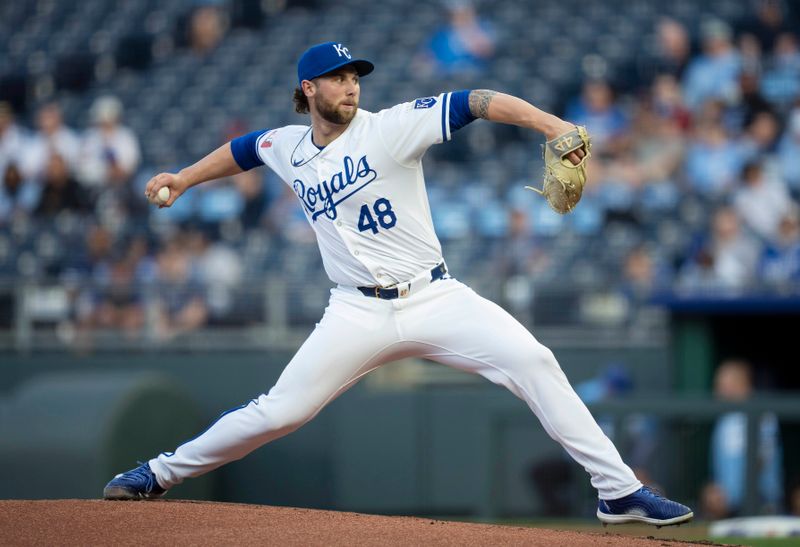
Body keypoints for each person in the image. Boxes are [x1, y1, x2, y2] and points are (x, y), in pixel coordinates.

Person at [103, 41, 693, 527]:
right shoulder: (287, 145)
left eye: (354, 75)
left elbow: (478, 100)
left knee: (535, 361)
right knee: (280, 412)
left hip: (436, 296)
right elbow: (242, 151)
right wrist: (183, 178)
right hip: (355, 312)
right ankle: (157, 473)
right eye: (336, 78)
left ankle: (617, 491)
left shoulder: (391, 128)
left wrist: (552, 123)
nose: (350, 85)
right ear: (308, 89)